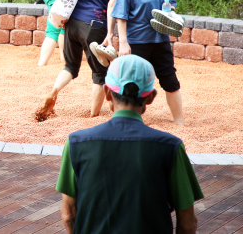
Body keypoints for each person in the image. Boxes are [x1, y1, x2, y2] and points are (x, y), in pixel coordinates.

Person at [56, 55, 203, 234]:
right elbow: (187, 224)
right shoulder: (171, 147)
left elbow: (69, 215)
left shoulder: (76, 143)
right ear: (151, 97)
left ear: (107, 93)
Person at [38, 0, 134, 120]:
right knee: (99, 73)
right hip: (94, 26)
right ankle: (93, 115)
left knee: (70, 67)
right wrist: (109, 33)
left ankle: (54, 91)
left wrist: (62, 15)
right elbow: (112, 3)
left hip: (72, 22)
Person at [111, 0, 185, 126]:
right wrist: (124, 44)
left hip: (160, 40)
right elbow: (121, 13)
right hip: (137, 42)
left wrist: (170, 14)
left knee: (170, 80)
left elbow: (172, 2)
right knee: (132, 84)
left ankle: (180, 123)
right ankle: (127, 123)